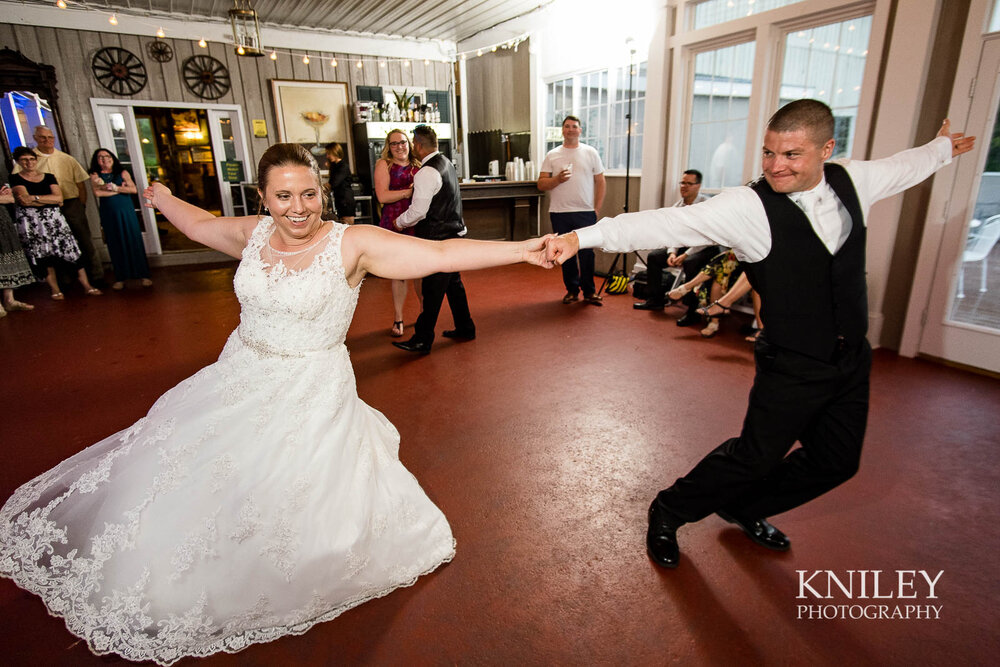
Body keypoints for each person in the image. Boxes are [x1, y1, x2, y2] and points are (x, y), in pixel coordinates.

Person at [0, 143, 553, 664]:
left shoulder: (351, 244)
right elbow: (197, 223)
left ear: (322, 193)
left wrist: (523, 249)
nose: (297, 208)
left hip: (310, 387)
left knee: (288, 497)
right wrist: (162, 197)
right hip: (240, 372)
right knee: (197, 479)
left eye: (308, 193)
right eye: (283, 195)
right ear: (263, 197)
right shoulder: (254, 233)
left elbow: (438, 252)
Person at [545, 99, 975, 569]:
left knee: (837, 461)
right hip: (791, 361)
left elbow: (904, 167)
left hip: (851, 357)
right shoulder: (748, 207)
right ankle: (670, 508)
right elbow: (664, 222)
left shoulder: (854, 179)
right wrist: (580, 238)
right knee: (754, 457)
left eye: (792, 155)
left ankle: (746, 507)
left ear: (827, 149)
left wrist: (940, 148)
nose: (776, 166)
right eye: (769, 153)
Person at [391, 125, 476, 354]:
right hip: (454, 234)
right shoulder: (446, 163)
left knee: (432, 290)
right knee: (454, 286)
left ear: (418, 145)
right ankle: (466, 327)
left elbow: (418, 211)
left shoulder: (426, 172)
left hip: (437, 240)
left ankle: (422, 339)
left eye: (411, 144)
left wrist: (398, 222)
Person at [9, 147, 102, 299]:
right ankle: (54, 289)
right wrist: (46, 199)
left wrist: (35, 198)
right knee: (43, 255)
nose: (29, 162)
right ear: (18, 162)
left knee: (71, 249)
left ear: (36, 160)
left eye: (32, 159)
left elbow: (58, 198)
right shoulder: (15, 178)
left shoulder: (48, 176)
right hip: (33, 222)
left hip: (54, 220)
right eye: (24, 160)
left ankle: (86, 285)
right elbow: (24, 200)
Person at [537, 115, 607, 306]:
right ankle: (572, 290)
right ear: (562, 130)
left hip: (585, 211)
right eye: (567, 126)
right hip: (560, 212)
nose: (570, 130)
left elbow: (600, 181)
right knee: (564, 254)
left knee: (587, 254)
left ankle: (590, 292)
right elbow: (541, 184)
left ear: (580, 130)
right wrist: (557, 179)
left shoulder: (590, 152)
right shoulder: (553, 155)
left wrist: (597, 208)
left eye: (574, 126)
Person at [633, 169, 713, 319]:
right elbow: (673, 234)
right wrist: (672, 252)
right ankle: (655, 300)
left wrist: (685, 255)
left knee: (690, 262)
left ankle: (692, 312)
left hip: (705, 247)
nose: (684, 186)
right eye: (683, 182)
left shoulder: (705, 205)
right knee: (654, 257)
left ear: (698, 186)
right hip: (684, 245)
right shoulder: (677, 207)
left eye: (689, 183)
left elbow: (705, 238)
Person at [374, 129, 421, 337]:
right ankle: (398, 318)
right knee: (399, 273)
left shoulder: (418, 166)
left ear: (409, 143)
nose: (399, 146)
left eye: (402, 142)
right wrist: (408, 192)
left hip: (417, 223)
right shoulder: (384, 165)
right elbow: (382, 196)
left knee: (421, 271)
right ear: (388, 147)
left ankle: (423, 315)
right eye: (394, 144)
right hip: (393, 223)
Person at [89, 148, 153, 290]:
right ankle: (121, 277)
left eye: (107, 156)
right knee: (115, 242)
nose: (104, 159)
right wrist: (118, 190)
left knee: (133, 239)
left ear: (112, 158)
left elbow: (133, 190)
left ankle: (143, 275)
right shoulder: (95, 175)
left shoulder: (122, 173)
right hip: (109, 213)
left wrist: (113, 188)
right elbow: (98, 193)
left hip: (126, 211)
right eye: (100, 157)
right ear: (96, 160)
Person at [666, 249, 742, 338]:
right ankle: (714, 322)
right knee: (722, 270)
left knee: (727, 259)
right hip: (736, 259)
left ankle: (686, 287)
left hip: (753, 262)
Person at [0, 158, 35, 316]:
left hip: (2, 221)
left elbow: (10, 198)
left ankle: (9, 300)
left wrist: (4, 198)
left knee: (8, 257)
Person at [325, 142, 355, 225]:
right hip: (340, 200)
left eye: (328, 153)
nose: (327, 156)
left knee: (348, 226)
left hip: (346, 200)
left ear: (334, 152)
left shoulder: (343, 166)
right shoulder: (335, 166)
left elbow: (334, 183)